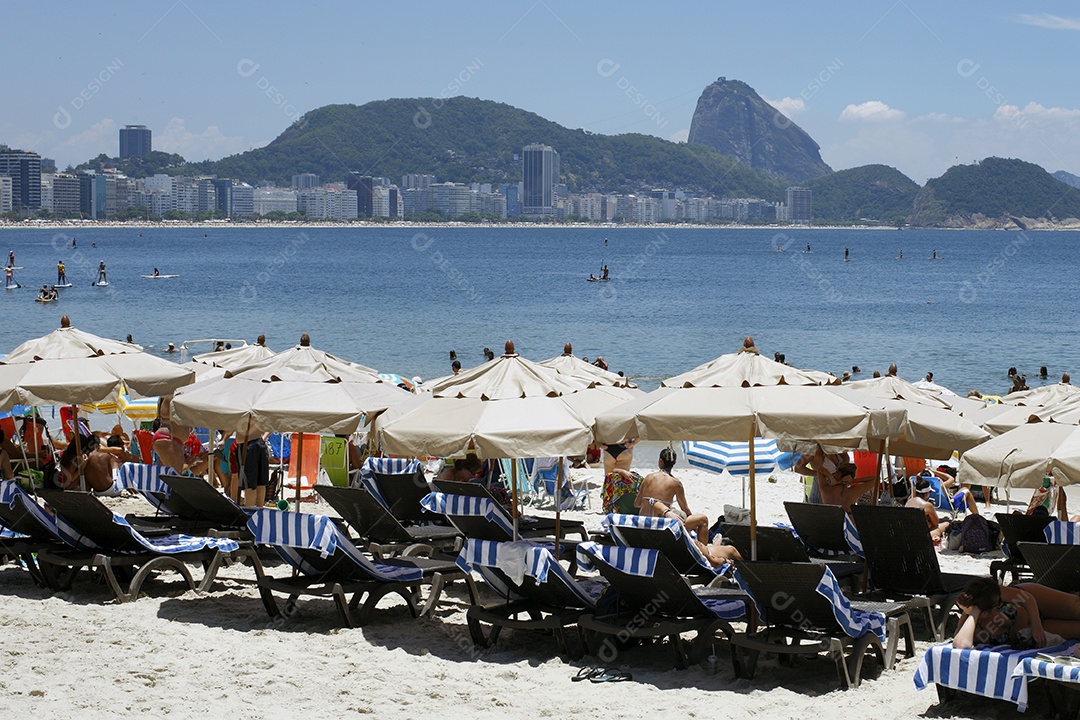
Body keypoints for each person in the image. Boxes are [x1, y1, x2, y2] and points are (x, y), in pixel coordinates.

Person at [633, 448, 737, 566]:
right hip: (663, 529)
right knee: (702, 519)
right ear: (674, 463)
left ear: (660, 461)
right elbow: (685, 509)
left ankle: (707, 550)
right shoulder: (675, 483)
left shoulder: (648, 478)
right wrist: (692, 524)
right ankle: (704, 553)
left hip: (644, 524)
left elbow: (636, 503)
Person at [954, 577, 1080, 649]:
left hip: (1036, 601)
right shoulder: (972, 625)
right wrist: (973, 613)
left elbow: (1026, 597)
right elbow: (960, 645)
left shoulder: (991, 592)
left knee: (1077, 607)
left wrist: (1036, 625)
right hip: (1029, 629)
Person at [795, 446, 866, 512]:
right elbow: (798, 468)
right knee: (819, 513)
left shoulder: (838, 448)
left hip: (839, 493)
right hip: (821, 489)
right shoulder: (814, 450)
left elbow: (846, 464)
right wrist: (820, 474)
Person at [905, 476, 950, 541]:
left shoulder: (909, 501)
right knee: (946, 524)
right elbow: (935, 523)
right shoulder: (927, 505)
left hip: (909, 531)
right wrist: (932, 508)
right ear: (926, 494)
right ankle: (933, 537)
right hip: (921, 533)